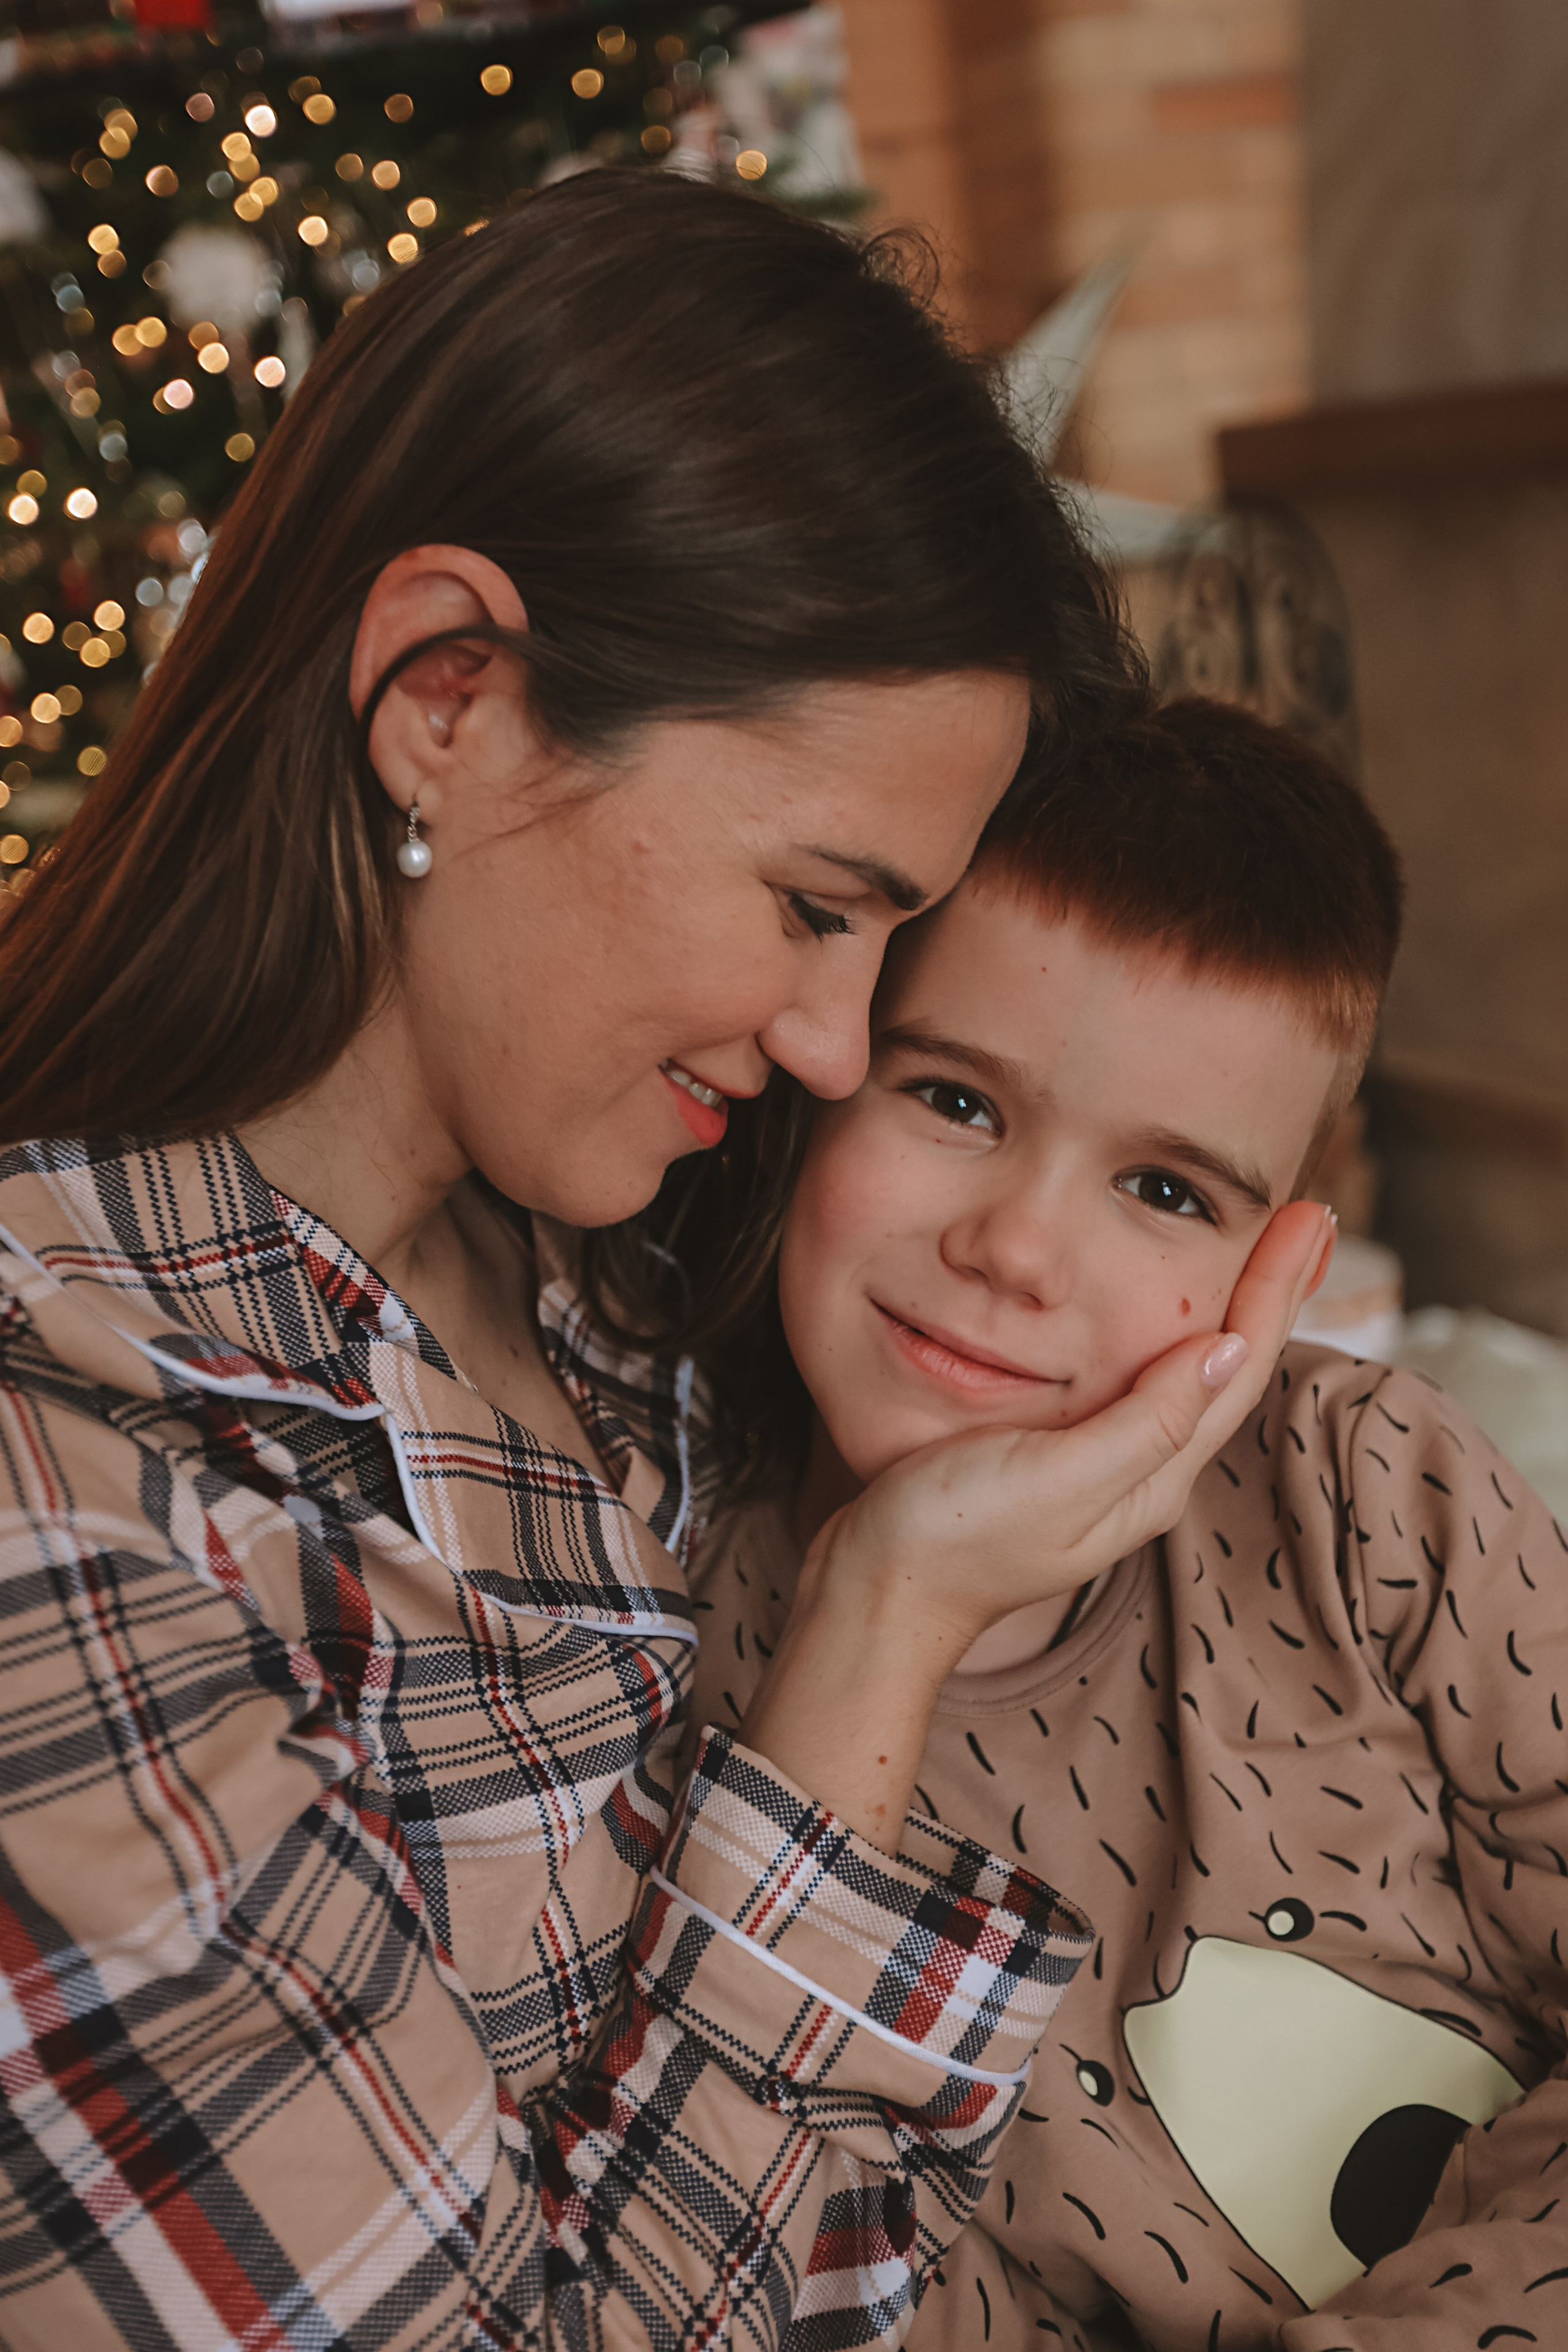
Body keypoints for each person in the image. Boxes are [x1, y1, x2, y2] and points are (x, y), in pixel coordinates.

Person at [0, 178, 1323, 2350]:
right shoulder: (76, 1517)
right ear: (453, 698)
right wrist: (880, 1630)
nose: (837, 1039)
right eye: (817, 904)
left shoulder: (619, 1265)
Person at [687, 696, 1568, 2351]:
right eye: (953, 1100)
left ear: (1282, 1257)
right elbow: (811, 2270)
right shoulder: (702, 1692)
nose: (1018, 1250)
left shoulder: (1365, 1484)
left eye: (1165, 1190)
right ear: (819, 1072)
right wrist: (903, 1592)